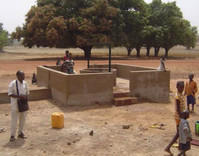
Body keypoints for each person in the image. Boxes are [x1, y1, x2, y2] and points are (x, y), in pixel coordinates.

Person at [165, 81, 186, 155]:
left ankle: (178, 149)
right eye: (181, 87)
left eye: (183, 87)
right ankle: (180, 150)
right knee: (180, 133)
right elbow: (178, 109)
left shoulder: (181, 94)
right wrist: (183, 116)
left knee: (179, 133)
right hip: (179, 117)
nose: (182, 88)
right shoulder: (177, 96)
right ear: (177, 87)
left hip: (181, 117)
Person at [8, 70, 29, 142]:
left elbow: (27, 93)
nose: (23, 76)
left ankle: (20, 133)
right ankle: (12, 135)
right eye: (22, 75)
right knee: (14, 121)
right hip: (15, 105)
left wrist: (25, 97)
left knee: (23, 119)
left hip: (23, 104)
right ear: (17, 76)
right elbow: (10, 94)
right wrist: (19, 96)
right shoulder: (13, 83)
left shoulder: (25, 83)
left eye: (24, 75)